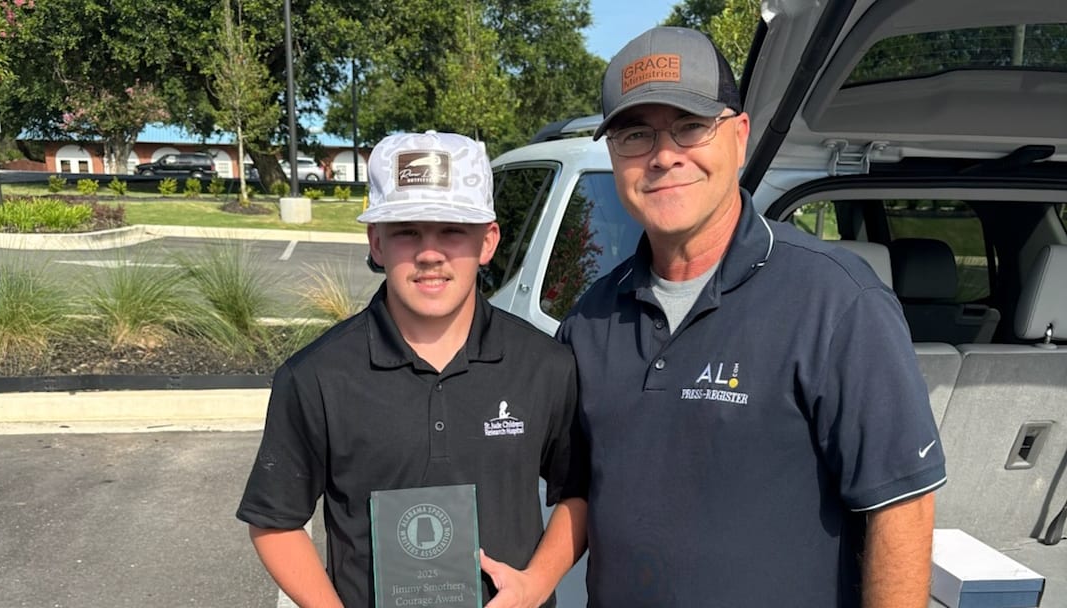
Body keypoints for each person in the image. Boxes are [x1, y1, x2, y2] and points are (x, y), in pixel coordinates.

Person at [555, 27, 947, 607]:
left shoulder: (837, 302)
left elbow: (902, 510)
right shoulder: (590, 318)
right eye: (635, 134)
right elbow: (581, 493)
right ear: (614, 155)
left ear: (739, 137)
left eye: (690, 126)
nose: (664, 155)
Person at [238, 131, 587, 608]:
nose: (429, 253)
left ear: (488, 241)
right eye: (407, 231)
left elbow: (579, 493)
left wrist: (536, 585)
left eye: (452, 230)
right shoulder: (316, 377)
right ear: (376, 243)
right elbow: (275, 521)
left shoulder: (545, 365)